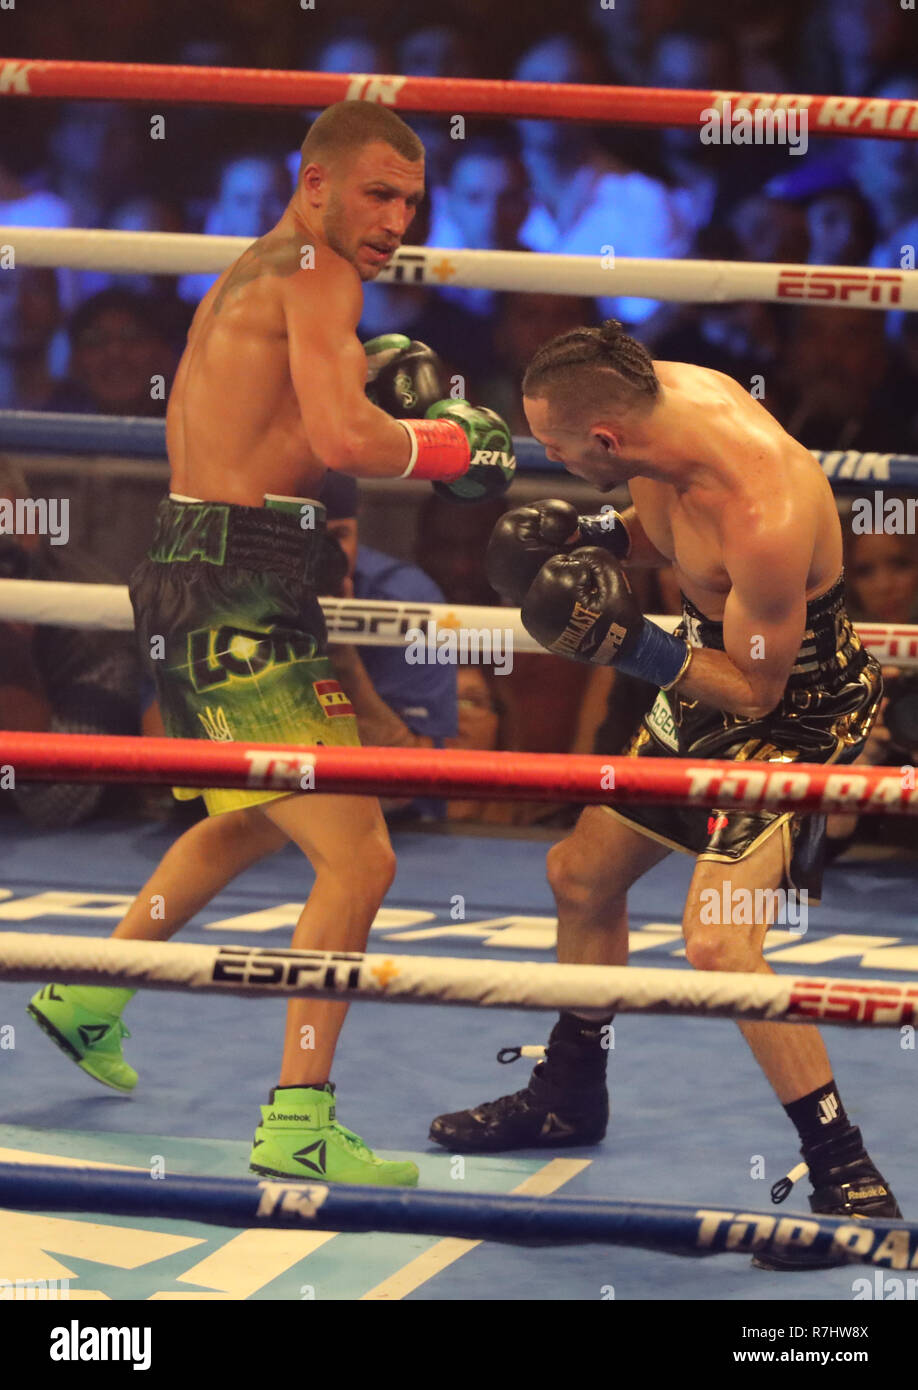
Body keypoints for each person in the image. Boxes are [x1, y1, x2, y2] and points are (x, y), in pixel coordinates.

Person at [27, 100, 514, 1188]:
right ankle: (299, 1115)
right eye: (378, 193)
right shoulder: (320, 273)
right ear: (317, 183)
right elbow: (347, 439)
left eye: (411, 202)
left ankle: (88, 990)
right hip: (237, 584)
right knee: (363, 854)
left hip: (199, 564)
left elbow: (260, 428)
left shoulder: (261, 268)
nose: (395, 219)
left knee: (247, 818)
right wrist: (453, 444)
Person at [430, 318, 901, 1270]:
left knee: (720, 939)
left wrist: (625, 644)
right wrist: (591, 530)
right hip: (703, 680)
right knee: (580, 877)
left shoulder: (764, 506)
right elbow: (660, 527)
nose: (547, 461)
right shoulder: (653, 408)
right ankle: (568, 1094)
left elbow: (757, 689)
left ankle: (849, 1174)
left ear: (603, 441)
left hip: (793, 713)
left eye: (558, 453)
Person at [0, 457, 141, 828]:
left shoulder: (90, 617)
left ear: (31, 526)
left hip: (78, 843)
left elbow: (58, 801)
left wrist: (14, 663)